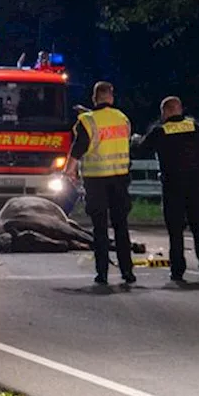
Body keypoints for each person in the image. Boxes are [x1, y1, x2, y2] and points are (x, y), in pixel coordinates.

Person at [133, 96, 199, 282]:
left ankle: (177, 271)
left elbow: (141, 150)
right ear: (180, 109)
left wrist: (135, 140)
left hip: (173, 186)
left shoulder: (160, 131)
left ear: (165, 112)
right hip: (197, 185)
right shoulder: (196, 128)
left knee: (175, 231)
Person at [66, 81, 135, 287]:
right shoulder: (123, 118)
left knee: (100, 228)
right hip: (120, 178)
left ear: (94, 98)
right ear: (111, 98)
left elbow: (78, 148)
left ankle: (102, 274)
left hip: (96, 181)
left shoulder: (87, 121)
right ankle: (127, 272)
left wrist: (69, 171)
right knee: (121, 227)